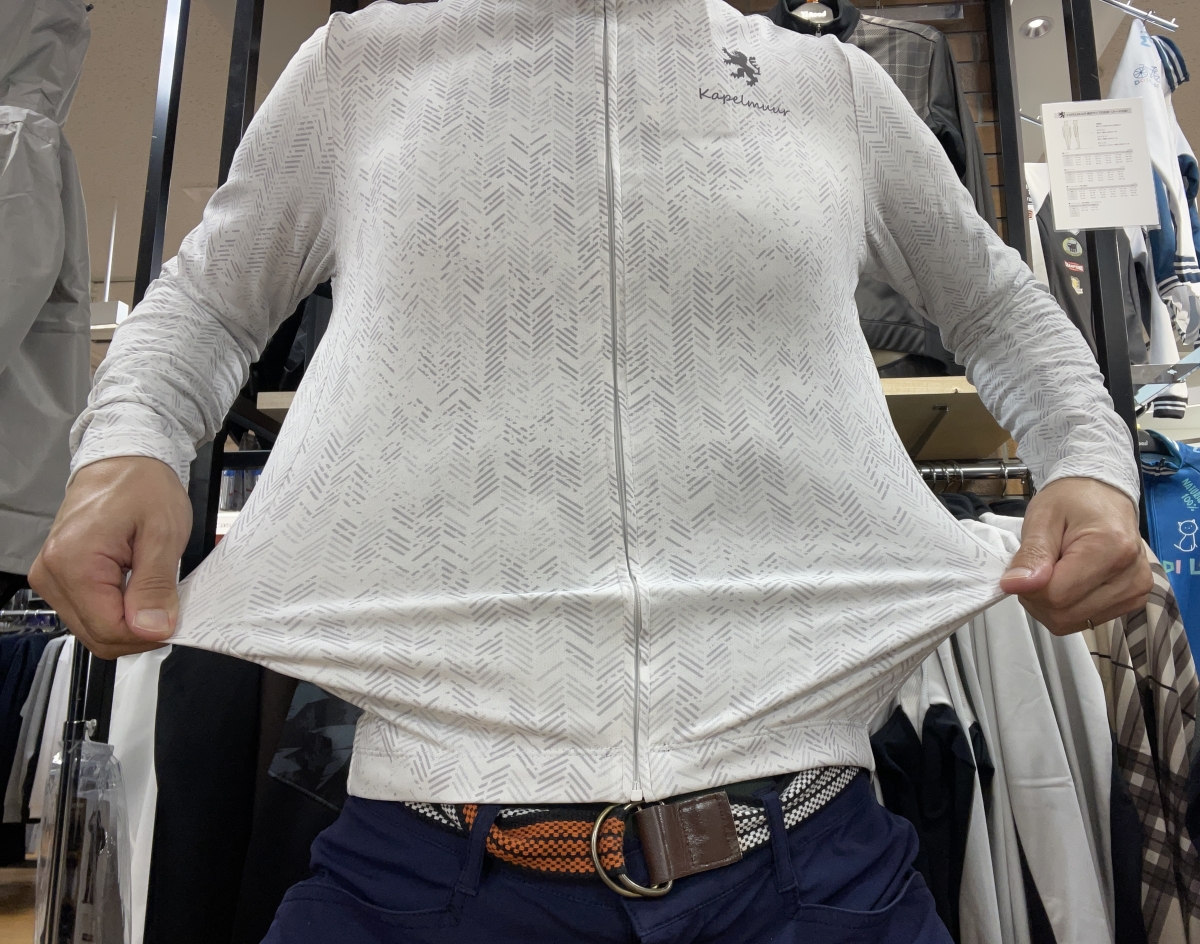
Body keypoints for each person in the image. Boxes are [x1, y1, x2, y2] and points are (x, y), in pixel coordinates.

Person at [31, 1, 1150, 941]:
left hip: (813, 858)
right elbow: (209, 301)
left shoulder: (830, 86)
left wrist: (1090, 466)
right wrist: (127, 446)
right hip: (425, 862)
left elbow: (997, 305)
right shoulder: (361, 69)